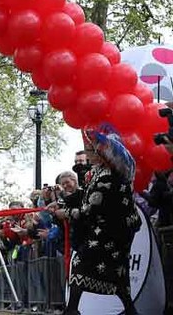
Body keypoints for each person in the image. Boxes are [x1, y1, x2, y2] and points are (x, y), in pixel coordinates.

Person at [62, 126, 141, 315]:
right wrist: (62, 201)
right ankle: (129, 310)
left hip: (112, 234)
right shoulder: (99, 173)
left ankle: (72, 310)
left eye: (93, 149)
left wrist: (66, 213)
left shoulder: (109, 179)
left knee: (83, 262)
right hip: (105, 232)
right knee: (117, 277)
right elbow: (84, 197)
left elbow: (90, 209)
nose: (90, 153)